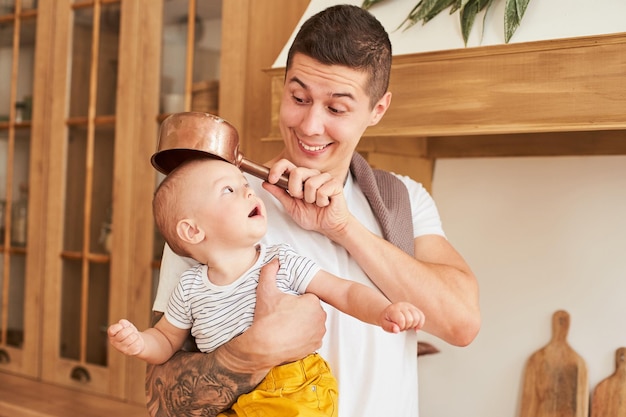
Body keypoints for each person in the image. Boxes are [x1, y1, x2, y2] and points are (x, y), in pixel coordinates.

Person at [147, 4, 481, 417]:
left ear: (377, 109)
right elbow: (159, 397)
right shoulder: (213, 208)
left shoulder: (403, 199)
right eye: (298, 97)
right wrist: (248, 354)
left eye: (336, 108)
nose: (309, 125)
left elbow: (461, 324)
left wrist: (343, 228)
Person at [109, 157, 425, 416]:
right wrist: (139, 343)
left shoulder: (279, 260)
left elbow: (344, 291)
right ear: (192, 230)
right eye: (228, 190)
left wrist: (385, 310)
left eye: (245, 185)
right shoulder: (189, 286)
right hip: (235, 404)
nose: (249, 192)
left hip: (293, 389)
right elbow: (166, 340)